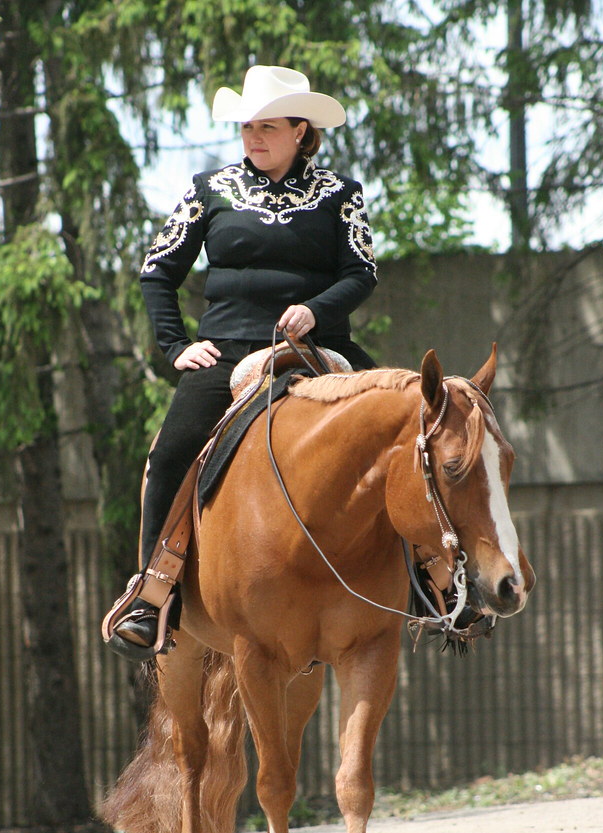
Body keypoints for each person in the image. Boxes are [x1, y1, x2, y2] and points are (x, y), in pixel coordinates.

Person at [110, 65, 378, 656]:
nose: (253, 137)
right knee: (171, 451)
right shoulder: (210, 189)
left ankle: (429, 584)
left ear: (301, 130)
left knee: (404, 425)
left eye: (268, 127)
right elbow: (158, 270)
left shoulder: (341, 194)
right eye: (247, 127)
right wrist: (176, 347)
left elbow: (363, 272)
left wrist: (314, 308)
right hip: (227, 349)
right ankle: (153, 596)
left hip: (316, 344)